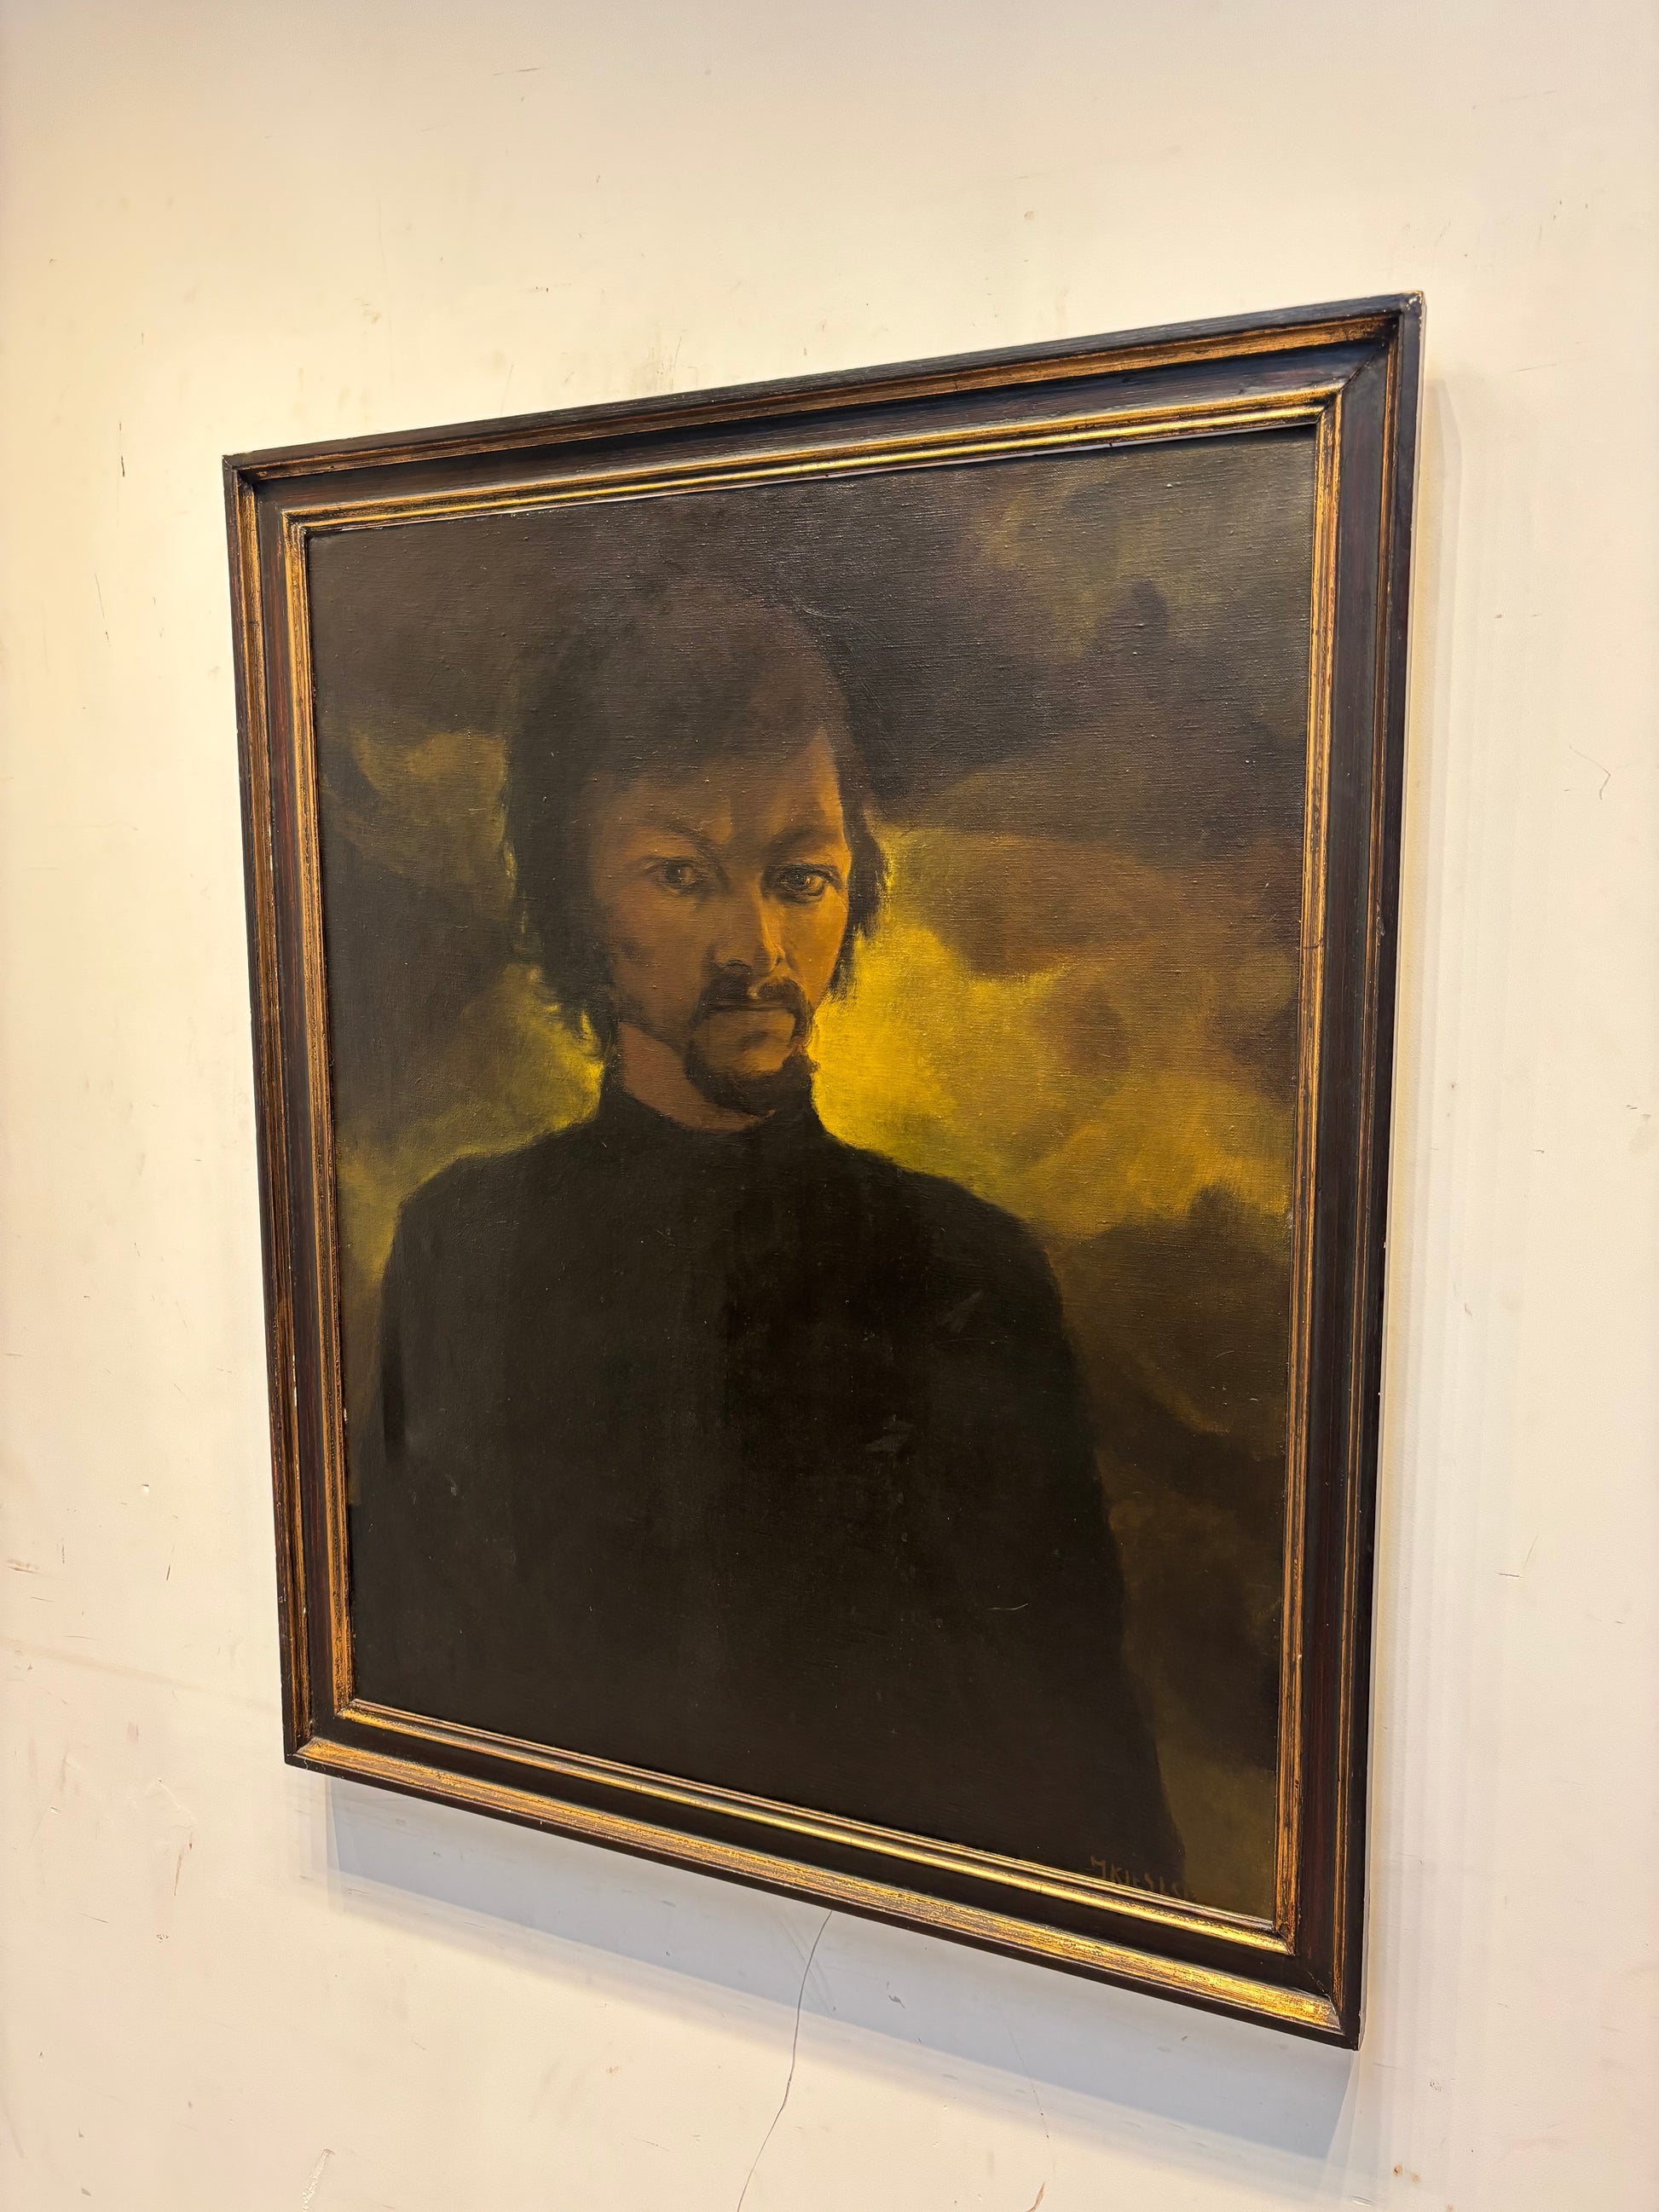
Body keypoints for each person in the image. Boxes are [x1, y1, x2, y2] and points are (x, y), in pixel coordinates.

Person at [349, 580, 1184, 1890]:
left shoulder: (963, 1268)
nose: (756, 946)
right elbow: (414, 1678)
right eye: (681, 877)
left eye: (799, 879)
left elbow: (1077, 1743)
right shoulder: (465, 1242)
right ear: (576, 904)